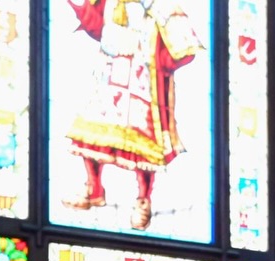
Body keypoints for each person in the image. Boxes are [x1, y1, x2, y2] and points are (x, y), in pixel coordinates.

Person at [62, 0, 203, 231]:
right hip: (109, 75)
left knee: (144, 142)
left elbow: (180, 51)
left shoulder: (162, 6)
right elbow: (96, 26)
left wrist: (161, 45)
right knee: (92, 128)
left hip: (143, 81)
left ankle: (143, 199)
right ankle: (93, 187)